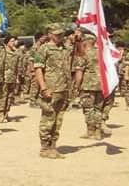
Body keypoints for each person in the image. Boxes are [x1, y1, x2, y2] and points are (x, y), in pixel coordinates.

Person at [33, 23, 73, 159]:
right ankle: (44, 148)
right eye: (56, 34)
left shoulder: (65, 48)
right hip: (51, 88)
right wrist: (43, 87)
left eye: (61, 34)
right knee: (48, 118)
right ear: (49, 34)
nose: (60, 36)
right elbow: (38, 69)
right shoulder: (44, 49)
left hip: (63, 88)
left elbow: (80, 51)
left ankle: (53, 146)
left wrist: (78, 38)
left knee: (58, 119)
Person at [74, 30, 105, 140]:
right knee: (98, 108)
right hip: (101, 85)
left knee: (88, 109)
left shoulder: (83, 54)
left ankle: (90, 131)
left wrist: (77, 86)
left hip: (88, 85)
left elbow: (79, 72)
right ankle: (98, 131)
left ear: (86, 42)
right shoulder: (102, 53)